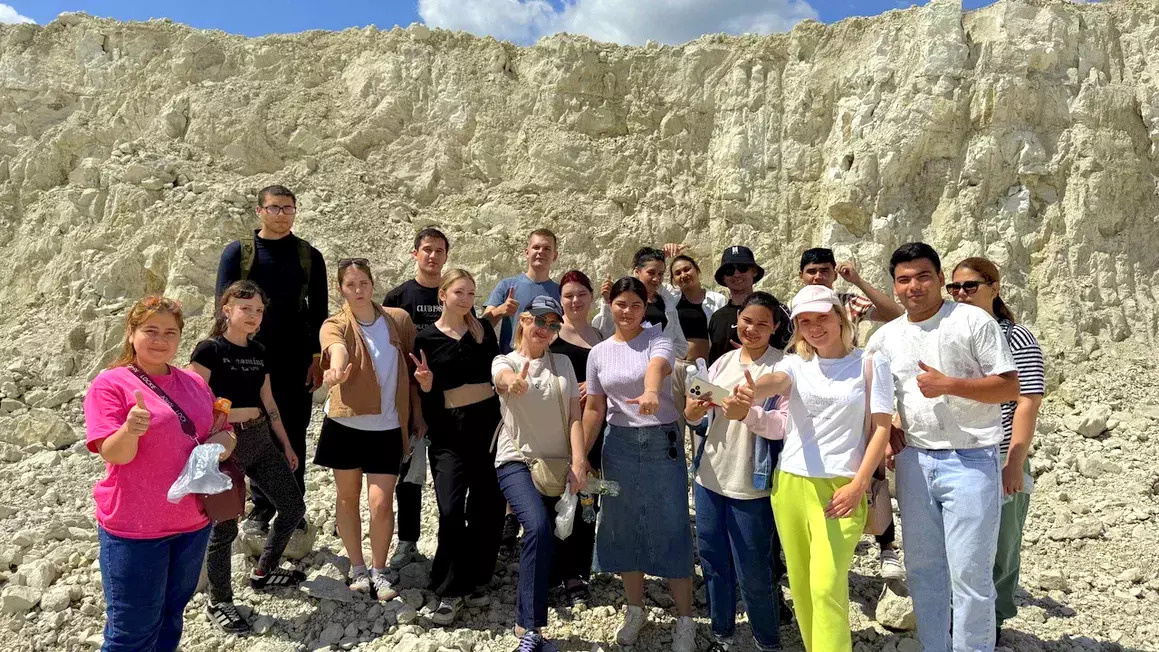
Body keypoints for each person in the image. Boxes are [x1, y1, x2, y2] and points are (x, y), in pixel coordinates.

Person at [867, 243, 1020, 651]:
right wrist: (891, 427)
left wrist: (950, 385)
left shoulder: (972, 321)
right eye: (904, 279)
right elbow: (873, 399)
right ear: (894, 286)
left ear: (939, 279)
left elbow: (1010, 387)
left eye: (923, 276)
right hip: (914, 463)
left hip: (971, 460)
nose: (913, 286)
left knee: (970, 577)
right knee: (923, 572)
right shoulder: (885, 339)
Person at [732, 285, 894, 651]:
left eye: (821, 317)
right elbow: (775, 382)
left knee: (826, 587)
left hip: (842, 487)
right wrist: (752, 390)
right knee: (804, 587)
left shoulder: (870, 362)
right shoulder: (796, 363)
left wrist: (858, 485)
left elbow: (881, 429)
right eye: (805, 321)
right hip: (790, 484)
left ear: (839, 317)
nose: (814, 327)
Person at [83, 296, 236, 652]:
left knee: (170, 620)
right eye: (150, 330)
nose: (160, 340)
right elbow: (114, 453)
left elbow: (224, 431)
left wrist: (217, 448)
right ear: (131, 333)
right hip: (135, 530)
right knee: (131, 634)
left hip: (192, 525)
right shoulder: (111, 384)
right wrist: (130, 430)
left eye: (170, 332)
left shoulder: (194, 383)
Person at [583, 277, 696, 652]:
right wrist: (580, 457)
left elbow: (658, 368)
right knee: (622, 524)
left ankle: (685, 619)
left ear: (645, 306)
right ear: (610, 305)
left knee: (672, 522)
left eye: (636, 304)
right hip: (617, 446)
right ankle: (635, 609)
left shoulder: (657, 339)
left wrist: (650, 392)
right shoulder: (598, 353)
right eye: (621, 304)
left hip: (661, 443)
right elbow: (594, 408)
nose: (628, 311)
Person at [189, 281, 307, 633]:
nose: (254, 315)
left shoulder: (259, 351)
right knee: (224, 526)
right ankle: (220, 601)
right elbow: (194, 402)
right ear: (227, 310)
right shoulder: (209, 350)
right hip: (225, 442)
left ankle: (264, 571)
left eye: (258, 310)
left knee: (293, 507)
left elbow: (268, 402)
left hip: (259, 437)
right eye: (246, 309)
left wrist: (286, 444)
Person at [216, 184, 327, 535]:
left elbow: (319, 312)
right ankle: (261, 507)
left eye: (288, 208)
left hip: (295, 360)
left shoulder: (309, 256)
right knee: (252, 432)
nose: (281, 214)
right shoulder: (238, 253)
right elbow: (222, 306)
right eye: (274, 208)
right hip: (249, 359)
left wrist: (316, 357)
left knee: (293, 430)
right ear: (260, 211)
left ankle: (293, 508)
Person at [949, 257, 1045, 642]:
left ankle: (994, 621)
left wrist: (1014, 462)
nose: (961, 294)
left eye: (970, 286)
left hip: (1001, 456)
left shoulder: (1016, 338)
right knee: (960, 546)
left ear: (994, 288)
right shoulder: (952, 333)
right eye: (954, 287)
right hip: (957, 455)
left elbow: (1028, 401)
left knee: (1001, 548)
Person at [683, 292, 784, 652]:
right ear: (737, 319)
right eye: (747, 320)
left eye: (762, 323)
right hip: (709, 476)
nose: (752, 329)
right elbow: (697, 418)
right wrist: (693, 412)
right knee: (713, 562)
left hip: (752, 484)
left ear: (775, 327)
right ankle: (722, 635)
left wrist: (748, 414)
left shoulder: (783, 367)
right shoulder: (723, 361)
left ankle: (767, 641)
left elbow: (783, 425)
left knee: (755, 569)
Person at [798, 246, 905, 580]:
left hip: (853, 388)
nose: (818, 277)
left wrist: (857, 280)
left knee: (871, 466)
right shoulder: (797, 307)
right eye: (812, 271)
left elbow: (895, 313)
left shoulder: (847, 302)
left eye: (824, 271)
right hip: (814, 393)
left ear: (834, 273)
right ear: (801, 275)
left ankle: (886, 545)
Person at [317, 259, 418, 600]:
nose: (358, 290)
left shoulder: (397, 320)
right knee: (347, 498)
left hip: (387, 426)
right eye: (351, 285)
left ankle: (379, 569)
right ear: (341, 290)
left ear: (373, 284)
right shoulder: (334, 323)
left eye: (363, 283)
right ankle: (357, 567)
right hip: (344, 424)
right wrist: (336, 369)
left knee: (381, 502)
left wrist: (417, 414)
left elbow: (412, 367)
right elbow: (337, 347)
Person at [492, 296, 589, 652]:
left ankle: (528, 615)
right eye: (540, 321)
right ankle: (530, 628)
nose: (545, 330)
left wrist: (578, 461)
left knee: (548, 536)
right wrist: (512, 384)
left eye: (553, 324)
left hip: (556, 464)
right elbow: (502, 379)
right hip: (516, 459)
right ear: (523, 320)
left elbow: (575, 416)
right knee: (536, 526)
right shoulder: (505, 360)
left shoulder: (563, 363)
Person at [415, 269, 506, 625]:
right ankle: (450, 589)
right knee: (451, 510)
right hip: (448, 434)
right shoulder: (425, 338)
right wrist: (425, 386)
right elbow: (427, 395)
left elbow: (497, 373)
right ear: (443, 295)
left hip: (488, 428)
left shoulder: (482, 331)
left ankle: (477, 578)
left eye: (470, 293)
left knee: (487, 507)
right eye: (459, 292)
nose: (466, 299)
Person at [382, 226, 448, 569]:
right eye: (427, 249)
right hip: (407, 399)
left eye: (439, 251)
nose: (433, 256)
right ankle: (407, 542)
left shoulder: (453, 293)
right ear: (415, 254)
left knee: (448, 473)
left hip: (447, 399)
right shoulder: (397, 297)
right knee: (409, 474)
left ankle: (450, 543)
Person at [548, 270, 604, 604]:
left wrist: (594, 387)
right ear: (560, 300)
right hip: (559, 428)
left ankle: (576, 573)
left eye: (581, 294)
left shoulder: (599, 335)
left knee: (586, 500)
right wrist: (572, 388)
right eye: (568, 295)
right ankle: (550, 569)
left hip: (594, 428)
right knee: (553, 497)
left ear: (591, 297)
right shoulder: (552, 335)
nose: (575, 300)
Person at [593, 247, 689, 359]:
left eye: (660, 274)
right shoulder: (622, 303)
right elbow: (604, 334)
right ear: (637, 271)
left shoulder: (667, 305)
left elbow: (682, 347)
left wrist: (660, 351)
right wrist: (608, 301)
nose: (656, 279)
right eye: (651, 273)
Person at [707, 245, 791, 365]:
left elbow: (793, 350)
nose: (736, 274)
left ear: (754, 272)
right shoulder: (717, 318)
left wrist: (754, 351)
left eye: (742, 268)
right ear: (723, 278)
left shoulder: (776, 310)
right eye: (729, 270)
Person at [483, 229, 562, 355]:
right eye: (536, 247)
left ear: (555, 256)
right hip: (511, 360)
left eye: (547, 248)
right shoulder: (507, 285)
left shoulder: (561, 292)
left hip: (546, 362)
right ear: (527, 252)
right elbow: (482, 327)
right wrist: (500, 311)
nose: (541, 251)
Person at [667, 252, 726, 365]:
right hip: (677, 365)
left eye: (687, 269)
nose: (683, 275)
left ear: (697, 270)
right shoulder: (671, 302)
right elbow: (649, 285)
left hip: (708, 366)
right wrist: (662, 255)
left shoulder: (718, 300)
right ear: (673, 280)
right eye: (678, 273)